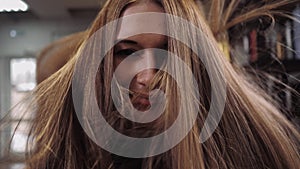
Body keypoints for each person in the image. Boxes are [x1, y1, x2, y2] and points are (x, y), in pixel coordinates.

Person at [14, 0, 300, 169]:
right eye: (127, 52)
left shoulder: (246, 148)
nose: (147, 78)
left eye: (168, 52)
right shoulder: (68, 148)